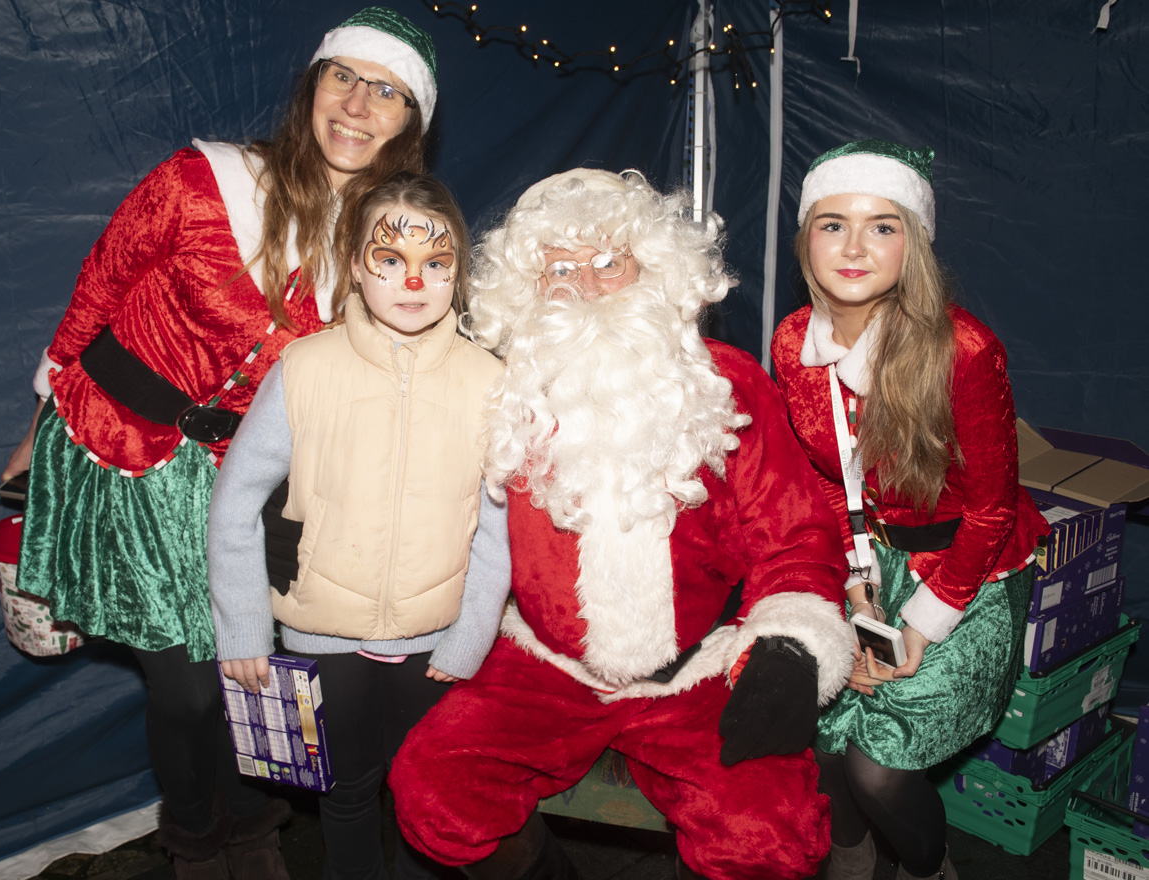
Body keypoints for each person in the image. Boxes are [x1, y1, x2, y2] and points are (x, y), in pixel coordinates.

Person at [4, 8, 438, 877]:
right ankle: (197, 839)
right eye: (343, 77)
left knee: (246, 672)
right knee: (188, 685)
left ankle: (251, 824)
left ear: (410, 123)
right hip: (120, 452)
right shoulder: (203, 179)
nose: (358, 104)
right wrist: (33, 431)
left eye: (386, 91)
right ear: (312, 87)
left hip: (239, 481)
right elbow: (98, 290)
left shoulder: (387, 246)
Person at [388, 168, 857, 880]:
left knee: (768, 836)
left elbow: (795, 537)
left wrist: (792, 646)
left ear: (654, 267)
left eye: (610, 261)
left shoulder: (727, 385)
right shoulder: (497, 394)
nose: (587, 283)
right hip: (544, 668)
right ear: (528, 288)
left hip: (698, 670)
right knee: (434, 792)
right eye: (561, 268)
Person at [208, 171, 510, 880]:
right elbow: (236, 501)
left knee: (422, 792)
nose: (414, 281)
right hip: (322, 639)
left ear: (459, 273)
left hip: (435, 642)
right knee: (345, 794)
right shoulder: (303, 368)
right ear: (353, 264)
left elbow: (497, 528)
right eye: (390, 259)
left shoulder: (491, 382)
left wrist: (470, 636)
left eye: (436, 262)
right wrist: (244, 627)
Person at [770, 139, 1050, 880]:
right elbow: (825, 482)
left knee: (879, 771)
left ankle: (928, 870)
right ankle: (851, 857)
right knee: (826, 737)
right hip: (865, 557)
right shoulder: (793, 341)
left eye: (882, 226)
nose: (854, 247)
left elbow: (991, 511)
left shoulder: (963, 349)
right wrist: (855, 590)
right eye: (833, 224)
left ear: (913, 244)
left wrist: (923, 623)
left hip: (969, 569)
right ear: (806, 239)